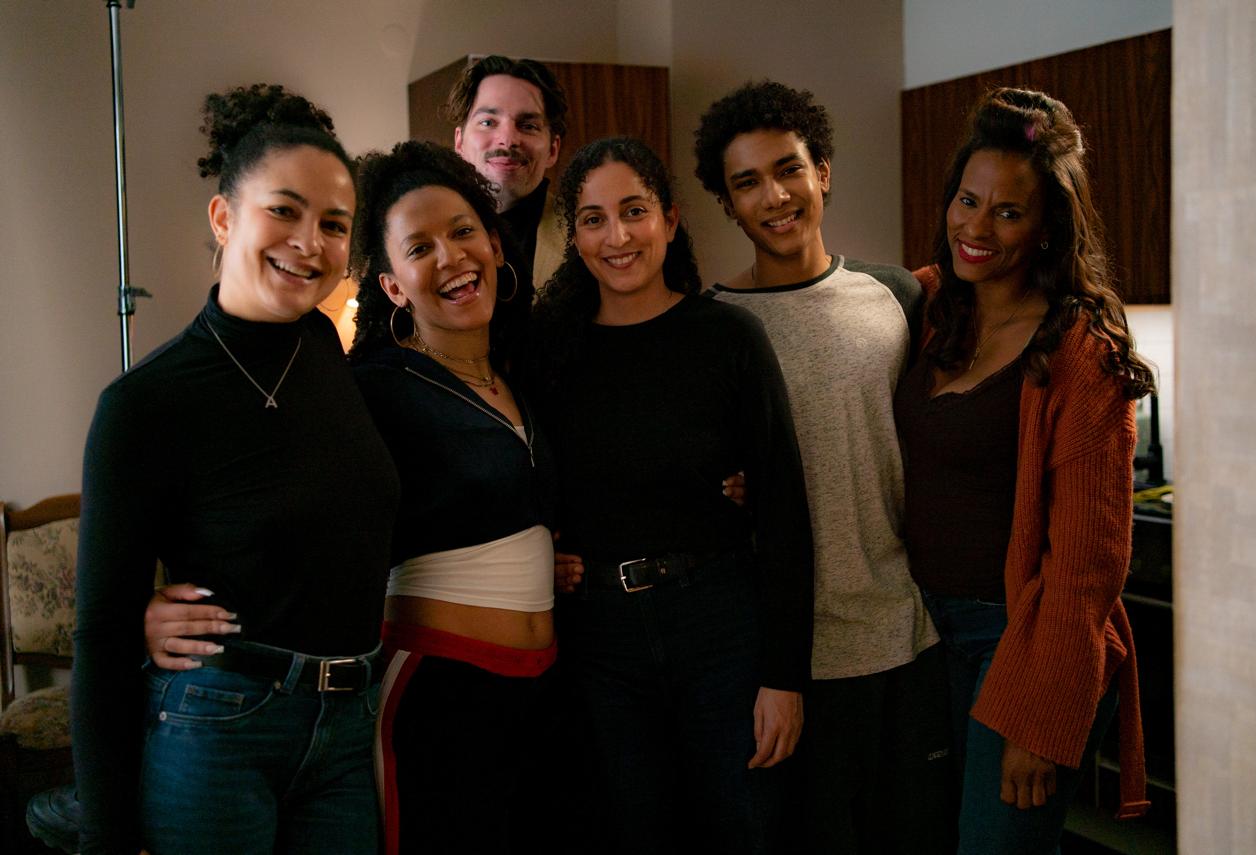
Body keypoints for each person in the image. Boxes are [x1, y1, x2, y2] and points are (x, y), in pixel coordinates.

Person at [71, 84, 399, 855]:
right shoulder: (144, 403)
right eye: (283, 211)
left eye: (333, 224)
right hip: (220, 727)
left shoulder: (326, 348)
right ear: (224, 218)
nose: (309, 242)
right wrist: (107, 837)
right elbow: (102, 640)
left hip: (347, 727)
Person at [530, 137, 814, 854]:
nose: (617, 237)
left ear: (670, 218)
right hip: (600, 641)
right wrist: (542, 555)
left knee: (745, 830)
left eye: (634, 211)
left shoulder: (728, 336)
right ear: (574, 237)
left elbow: (784, 511)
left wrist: (785, 677)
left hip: (720, 625)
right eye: (593, 219)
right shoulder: (548, 354)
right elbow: (525, 489)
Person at [691, 80, 953, 853]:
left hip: (908, 640)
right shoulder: (712, 325)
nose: (775, 196)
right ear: (727, 204)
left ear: (823, 172)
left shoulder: (898, 296)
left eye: (789, 169)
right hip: (784, 664)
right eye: (748, 183)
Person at [893, 87, 1153, 853]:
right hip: (922, 631)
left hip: (1024, 640)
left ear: (1048, 228)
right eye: (968, 201)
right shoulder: (927, 304)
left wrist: (1041, 717)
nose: (977, 227)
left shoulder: (1081, 351)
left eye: (1008, 212)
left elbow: (1086, 570)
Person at [344, 140, 558, 855]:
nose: (452, 256)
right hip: (437, 689)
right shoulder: (374, 389)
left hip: (542, 685)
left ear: (494, 244)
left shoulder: (518, 375)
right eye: (420, 247)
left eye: (464, 231)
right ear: (392, 287)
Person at [447, 55, 569, 295]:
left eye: (528, 126)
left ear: (553, 150)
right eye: (488, 122)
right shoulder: (417, 237)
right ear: (459, 142)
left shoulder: (586, 239)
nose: (508, 139)